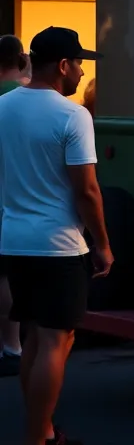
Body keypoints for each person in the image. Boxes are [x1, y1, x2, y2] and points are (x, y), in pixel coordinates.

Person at [0, 27, 112, 445]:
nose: (84, 69)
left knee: (30, 335)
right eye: (80, 62)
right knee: (55, 342)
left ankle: (42, 432)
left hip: (13, 240)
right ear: (63, 66)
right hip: (58, 244)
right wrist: (103, 244)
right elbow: (86, 189)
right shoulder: (73, 115)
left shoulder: (2, 107)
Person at [0, 34, 31, 377]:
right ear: (21, 60)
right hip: (19, 199)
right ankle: (13, 346)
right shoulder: (27, 97)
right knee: (8, 277)